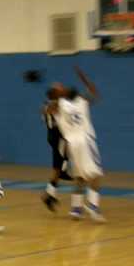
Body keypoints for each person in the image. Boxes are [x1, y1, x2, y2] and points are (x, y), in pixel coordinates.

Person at [49, 67, 106, 223]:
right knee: (96, 175)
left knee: (80, 176)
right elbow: (94, 91)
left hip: (72, 143)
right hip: (85, 140)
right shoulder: (82, 102)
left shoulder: (59, 105)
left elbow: (49, 108)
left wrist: (57, 92)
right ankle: (93, 207)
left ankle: (76, 209)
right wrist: (84, 77)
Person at [41, 84, 72, 212]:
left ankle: (50, 195)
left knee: (57, 169)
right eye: (58, 92)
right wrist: (61, 93)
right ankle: (63, 171)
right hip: (57, 137)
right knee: (59, 167)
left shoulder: (47, 105)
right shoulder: (53, 105)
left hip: (53, 136)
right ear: (55, 94)